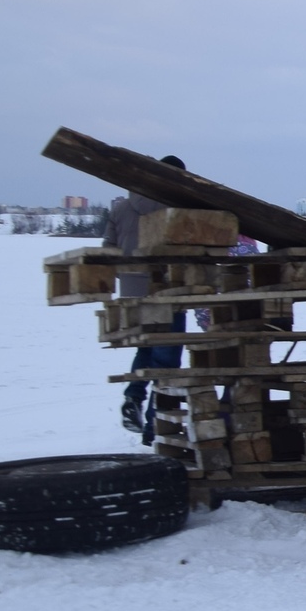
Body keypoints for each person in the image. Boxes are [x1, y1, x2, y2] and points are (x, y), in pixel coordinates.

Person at [106, 155, 188, 439]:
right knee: (166, 364)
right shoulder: (176, 208)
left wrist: (126, 278)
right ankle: (155, 427)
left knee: (146, 349)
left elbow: (108, 250)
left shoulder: (121, 208)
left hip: (131, 295)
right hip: (168, 293)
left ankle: (134, 396)